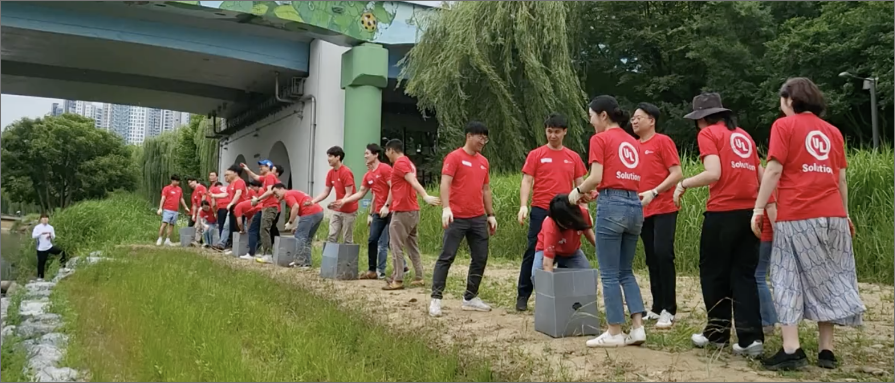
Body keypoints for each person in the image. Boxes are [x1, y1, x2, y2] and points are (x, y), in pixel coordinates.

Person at [751, 78, 865, 371]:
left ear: (789, 99)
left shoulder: (784, 126)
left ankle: (792, 348)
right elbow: (840, 179)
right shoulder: (833, 132)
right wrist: (845, 215)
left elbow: (773, 170)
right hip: (834, 215)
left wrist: (759, 208)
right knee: (829, 277)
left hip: (798, 214)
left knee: (786, 276)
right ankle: (827, 350)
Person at [672, 92, 764, 356]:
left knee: (714, 274)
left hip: (723, 212)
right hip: (750, 213)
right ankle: (751, 339)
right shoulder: (743, 136)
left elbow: (714, 173)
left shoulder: (708, 133)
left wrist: (683, 183)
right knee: (744, 276)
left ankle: (717, 333)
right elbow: (761, 174)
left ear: (701, 119)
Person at [568, 95, 646, 348]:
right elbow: (622, 177)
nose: (591, 122)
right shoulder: (632, 141)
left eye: (591, 116)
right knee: (625, 271)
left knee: (610, 273)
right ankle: (638, 328)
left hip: (612, 206)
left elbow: (595, 176)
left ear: (603, 115)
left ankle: (614, 331)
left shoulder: (599, 139)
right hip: (634, 205)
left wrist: (576, 192)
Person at [515, 113, 587, 312]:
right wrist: (523, 205)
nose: (553, 135)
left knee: (567, 250)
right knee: (533, 251)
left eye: (557, 132)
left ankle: (563, 295)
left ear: (565, 132)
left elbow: (580, 184)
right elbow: (527, 180)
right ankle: (523, 295)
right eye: (549, 131)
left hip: (566, 212)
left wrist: (583, 208)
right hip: (541, 210)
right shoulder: (536, 155)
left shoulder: (573, 157)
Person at [429, 121, 496, 316]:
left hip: (477, 217)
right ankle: (436, 299)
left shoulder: (483, 162)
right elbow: (445, 183)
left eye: (485, 139)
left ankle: (470, 297)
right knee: (447, 256)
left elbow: (485, 189)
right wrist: (446, 207)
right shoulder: (454, 157)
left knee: (480, 257)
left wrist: (490, 214)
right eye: (480, 137)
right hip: (456, 216)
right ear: (469, 136)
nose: (482, 142)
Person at [630, 102, 683, 329]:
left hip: (664, 207)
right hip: (642, 209)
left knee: (663, 254)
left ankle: (669, 309)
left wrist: (655, 191)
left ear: (651, 120)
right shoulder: (632, 146)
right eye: (633, 118)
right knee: (651, 257)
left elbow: (677, 173)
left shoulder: (662, 141)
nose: (634, 121)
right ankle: (657, 305)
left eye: (638, 117)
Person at [381, 139, 440, 291]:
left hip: (403, 211)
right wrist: (387, 205)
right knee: (412, 245)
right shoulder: (407, 162)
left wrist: (425, 196)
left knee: (395, 245)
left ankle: (398, 279)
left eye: (386, 152)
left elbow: (413, 181)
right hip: (412, 210)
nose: (386, 155)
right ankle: (419, 276)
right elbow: (395, 188)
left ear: (391, 150)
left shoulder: (400, 164)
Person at [334, 143, 393, 279]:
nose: (365, 156)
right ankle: (372, 270)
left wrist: (387, 205)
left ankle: (402, 270)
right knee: (372, 240)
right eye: (364, 154)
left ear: (376, 155)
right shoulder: (368, 176)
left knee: (394, 242)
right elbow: (360, 193)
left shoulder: (385, 169)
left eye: (367, 153)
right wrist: (344, 201)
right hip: (378, 212)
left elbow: (393, 187)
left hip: (392, 210)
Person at [531, 194, 595, 278]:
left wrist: (600, 248)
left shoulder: (582, 214)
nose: (569, 224)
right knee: (538, 276)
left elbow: (588, 232)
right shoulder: (550, 225)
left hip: (572, 252)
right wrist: (549, 283)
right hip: (546, 249)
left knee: (588, 275)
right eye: (565, 222)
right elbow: (547, 264)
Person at [309, 146, 358, 245]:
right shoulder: (330, 173)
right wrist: (313, 201)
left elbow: (349, 193)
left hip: (349, 210)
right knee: (332, 236)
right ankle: (329, 255)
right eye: (328, 156)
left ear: (338, 157)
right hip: (337, 210)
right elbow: (326, 192)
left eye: (331, 156)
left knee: (347, 239)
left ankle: (347, 255)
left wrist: (341, 202)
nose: (328, 159)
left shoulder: (346, 172)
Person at [274, 184, 324, 268]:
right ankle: (307, 263)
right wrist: (299, 226)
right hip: (318, 212)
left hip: (309, 212)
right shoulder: (294, 192)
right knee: (307, 238)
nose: (275, 195)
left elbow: (295, 206)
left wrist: (290, 222)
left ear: (282, 189)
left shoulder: (287, 194)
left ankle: (299, 261)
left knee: (300, 236)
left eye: (275, 192)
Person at [241, 160, 281, 263]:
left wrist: (258, 200)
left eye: (262, 166)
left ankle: (268, 254)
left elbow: (270, 191)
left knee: (264, 230)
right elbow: (256, 177)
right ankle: (265, 253)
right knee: (264, 230)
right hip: (267, 206)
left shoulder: (270, 176)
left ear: (268, 167)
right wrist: (247, 170)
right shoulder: (266, 177)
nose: (260, 168)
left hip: (270, 207)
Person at [757, 190, 778, 336]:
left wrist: (778, 235)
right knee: (758, 276)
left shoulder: (764, 182)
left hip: (764, 235)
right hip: (765, 234)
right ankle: (766, 319)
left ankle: (767, 320)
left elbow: (771, 207)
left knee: (758, 277)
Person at [215, 165, 248, 254]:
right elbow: (226, 194)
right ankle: (226, 244)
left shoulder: (240, 182)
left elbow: (238, 193)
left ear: (235, 173)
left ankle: (239, 246)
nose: (226, 176)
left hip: (239, 207)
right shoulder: (231, 184)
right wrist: (214, 195)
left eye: (228, 174)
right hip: (232, 208)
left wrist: (231, 203)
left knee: (237, 226)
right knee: (228, 227)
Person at [156, 174, 190, 246]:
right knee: (164, 224)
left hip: (175, 210)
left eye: (178, 181)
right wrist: (160, 208)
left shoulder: (179, 189)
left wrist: (185, 207)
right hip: (167, 209)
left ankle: (167, 240)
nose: (178, 182)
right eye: (176, 181)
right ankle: (160, 238)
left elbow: (181, 199)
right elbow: (163, 198)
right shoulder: (166, 188)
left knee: (172, 225)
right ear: (172, 180)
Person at [32, 213, 67, 280]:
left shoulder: (50, 227)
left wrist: (50, 236)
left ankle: (63, 267)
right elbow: (33, 236)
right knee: (41, 263)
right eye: (43, 218)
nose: (45, 220)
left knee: (61, 252)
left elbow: (53, 237)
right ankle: (40, 277)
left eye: (46, 218)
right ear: (41, 219)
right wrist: (41, 233)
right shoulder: (37, 227)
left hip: (49, 247)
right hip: (41, 248)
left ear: (48, 219)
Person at [243, 180, 265, 260]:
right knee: (258, 232)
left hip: (260, 210)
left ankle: (251, 252)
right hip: (261, 210)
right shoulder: (261, 190)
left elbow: (261, 202)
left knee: (252, 231)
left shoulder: (261, 190)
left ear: (256, 186)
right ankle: (257, 251)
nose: (252, 189)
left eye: (252, 187)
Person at [187, 177, 208, 245]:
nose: (190, 184)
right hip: (197, 210)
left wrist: (202, 207)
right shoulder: (194, 192)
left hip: (203, 209)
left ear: (195, 181)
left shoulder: (201, 187)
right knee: (195, 226)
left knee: (200, 226)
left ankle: (202, 241)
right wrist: (193, 214)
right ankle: (197, 241)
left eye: (191, 182)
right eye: (189, 183)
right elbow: (194, 204)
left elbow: (204, 196)